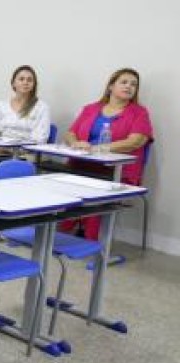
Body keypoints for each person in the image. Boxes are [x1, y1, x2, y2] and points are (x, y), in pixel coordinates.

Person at [61, 67, 154, 240]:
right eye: (124, 82)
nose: (129, 86)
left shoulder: (139, 112)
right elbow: (70, 133)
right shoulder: (91, 108)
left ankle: (90, 240)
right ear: (111, 86)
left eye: (133, 84)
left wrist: (96, 148)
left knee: (95, 189)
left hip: (116, 171)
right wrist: (75, 143)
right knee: (60, 185)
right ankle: (58, 234)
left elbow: (136, 141)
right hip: (81, 165)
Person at [0, 65, 51, 179]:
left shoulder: (42, 108)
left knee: (0, 173)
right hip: (0, 152)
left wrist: (13, 149)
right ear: (13, 83)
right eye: (21, 79)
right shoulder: (1, 105)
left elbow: (40, 139)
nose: (25, 82)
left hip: (26, 155)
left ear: (34, 85)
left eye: (29, 80)